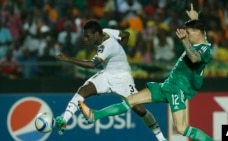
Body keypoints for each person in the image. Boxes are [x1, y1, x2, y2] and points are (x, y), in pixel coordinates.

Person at [79, 4, 214, 141]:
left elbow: (194, 57)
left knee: (181, 128)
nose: (187, 36)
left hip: (177, 89)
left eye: (189, 33)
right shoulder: (201, 39)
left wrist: (184, 40)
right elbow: (201, 34)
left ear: (198, 33)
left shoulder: (205, 50)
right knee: (131, 100)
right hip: (168, 85)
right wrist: (196, 19)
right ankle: (94, 115)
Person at [55, 19, 166, 141]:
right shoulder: (107, 32)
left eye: (88, 36)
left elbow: (92, 65)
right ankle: (64, 120)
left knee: (139, 109)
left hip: (122, 78)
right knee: (83, 90)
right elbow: (125, 34)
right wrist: (120, 49)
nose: (86, 39)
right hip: (107, 74)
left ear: (96, 34)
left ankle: (161, 138)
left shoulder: (107, 46)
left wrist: (68, 59)